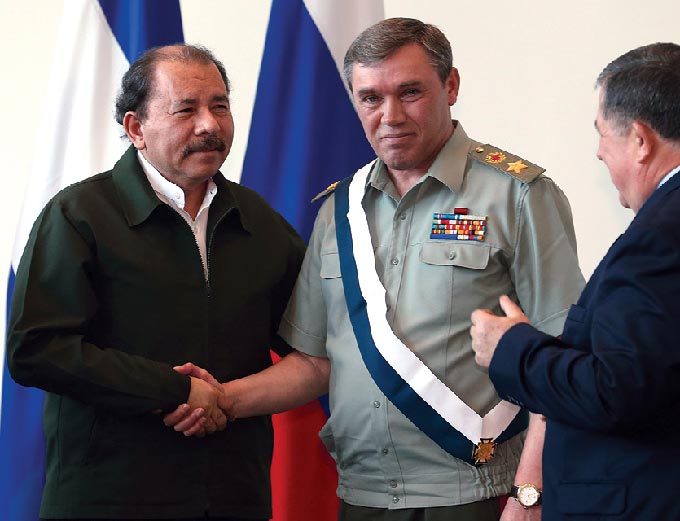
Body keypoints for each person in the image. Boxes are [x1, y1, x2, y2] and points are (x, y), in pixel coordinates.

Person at [170, 18, 584, 520]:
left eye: (410, 93)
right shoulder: (338, 209)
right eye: (370, 98)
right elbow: (316, 362)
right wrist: (220, 399)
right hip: (361, 494)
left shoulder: (518, 196)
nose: (390, 116)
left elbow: (561, 360)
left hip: (477, 494)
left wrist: (530, 494)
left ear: (450, 86)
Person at [6, 44, 305, 520]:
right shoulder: (80, 215)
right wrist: (172, 390)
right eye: (186, 109)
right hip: (109, 499)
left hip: (233, 496)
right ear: (135, 129)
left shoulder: (261, 222)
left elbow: (312, 351)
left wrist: (222, 400)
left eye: (220, 106)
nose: (209, 124)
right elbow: (36, 350)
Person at [470, 42, 680, 520]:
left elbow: (617, 390)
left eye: (603, 134)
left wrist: (512, 347)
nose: (599, 153)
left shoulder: (661, 236)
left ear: (641, 141)